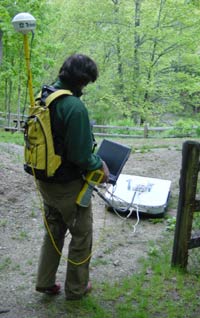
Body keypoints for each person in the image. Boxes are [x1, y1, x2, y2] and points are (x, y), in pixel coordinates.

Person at [35, 53, 109, 300]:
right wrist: (100, 164)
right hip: (68, 184)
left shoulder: (44, 96)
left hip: (45, 180)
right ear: (82, 79)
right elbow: (80, 155)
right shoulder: (74, 107)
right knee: (81, 235)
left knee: (54, 230)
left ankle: (45, 282)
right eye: (87, 82)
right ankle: (77, 289)